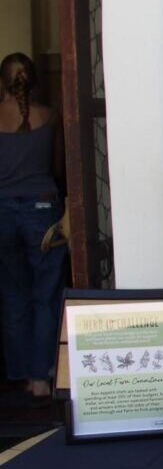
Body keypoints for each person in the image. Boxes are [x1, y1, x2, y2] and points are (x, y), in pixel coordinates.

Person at [0, 52, 67, 401]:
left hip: (2, 213)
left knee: (13, 293)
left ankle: (20, 371)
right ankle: (42, 377)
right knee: (46, 294)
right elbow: (58, 167)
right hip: (42, 209)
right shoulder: (50, 117)